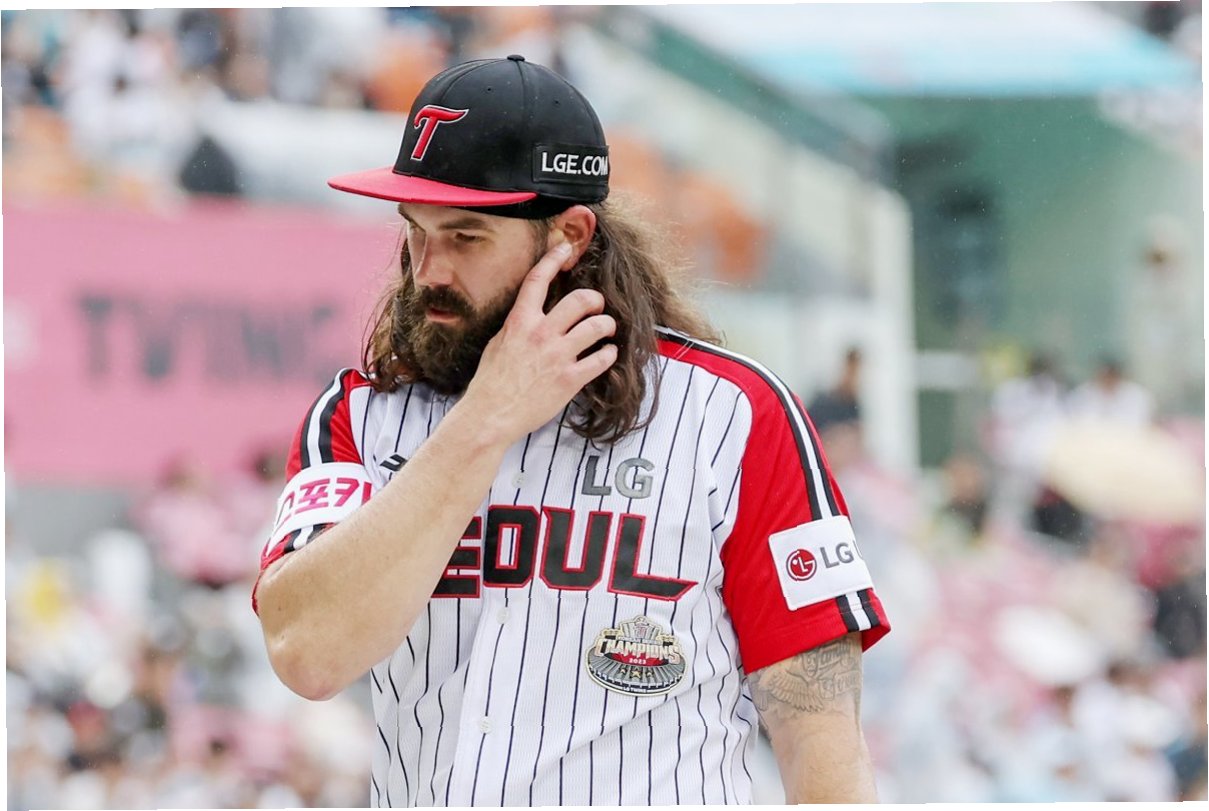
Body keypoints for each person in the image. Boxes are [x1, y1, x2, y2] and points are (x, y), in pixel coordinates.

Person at [252, 55, 890, 807]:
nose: (429, 271)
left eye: (466, 237)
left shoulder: (733, 413)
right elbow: (308, 655)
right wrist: (486, 417)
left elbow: (818, 732)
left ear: (571, 235)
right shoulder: (360, 413)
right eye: (416, 232)